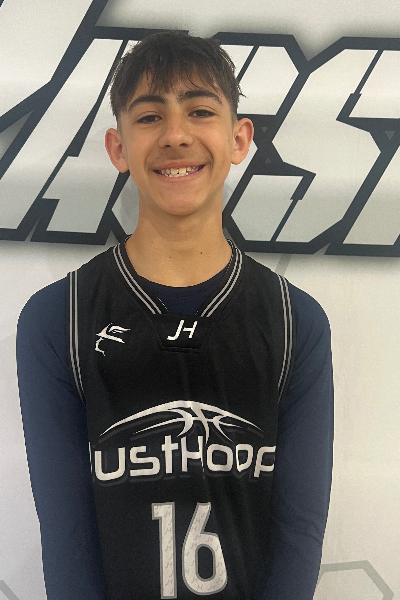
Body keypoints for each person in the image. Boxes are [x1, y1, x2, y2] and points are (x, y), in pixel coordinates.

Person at [17, 32, 334, 600]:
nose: (176, 135)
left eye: (200, 111)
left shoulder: (296, 323)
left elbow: (299, 535)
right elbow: (66, 541)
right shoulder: (55, 319)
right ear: (118, 147)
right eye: (149, 117)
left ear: (239, 139)